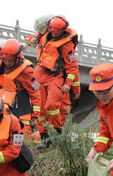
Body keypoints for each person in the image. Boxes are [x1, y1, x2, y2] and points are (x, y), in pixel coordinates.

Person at [0, 39, 41, 140]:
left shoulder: (27, 71)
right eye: (4, 59)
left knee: (21, 139)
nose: (6, 62)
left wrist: (35, 116)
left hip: (18, 108)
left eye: (9, 60)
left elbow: (35, 93)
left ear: (18, 58)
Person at [34, 15, 80, 148]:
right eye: (51, 29)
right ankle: (44, 138)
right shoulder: (44, 35)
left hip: (55, 77)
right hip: (40, 73)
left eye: (56, 30)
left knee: (51, 106)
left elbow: (72, 67)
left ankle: (57, 133)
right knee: (40, 109)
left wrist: (68, 84)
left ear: (63, 31)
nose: (53, 32)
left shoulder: (67, 44)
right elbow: (33, 41)